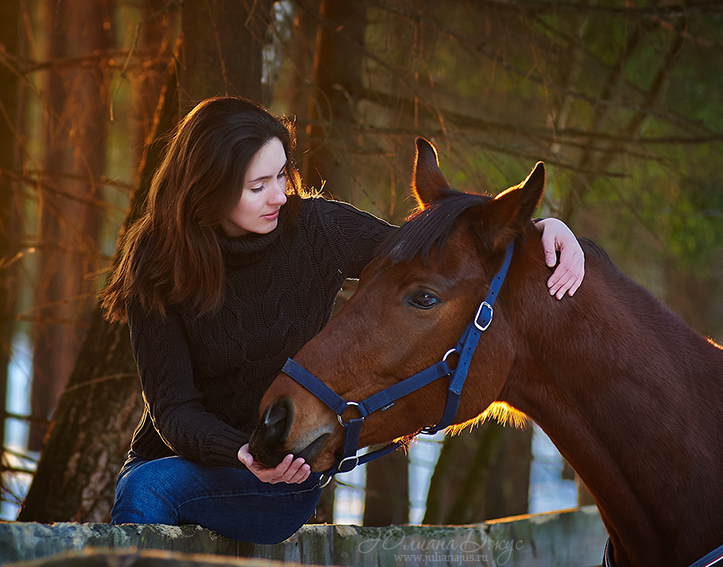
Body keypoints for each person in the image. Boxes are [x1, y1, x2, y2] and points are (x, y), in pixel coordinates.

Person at [99, 96, 585, 545]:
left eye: (282, 175)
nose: (279, 196)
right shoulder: (158, 264)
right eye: (257, 186)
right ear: (209, 188)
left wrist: (536, 228)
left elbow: (442, 262)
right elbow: (175, 410)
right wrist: (240, 451)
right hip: (184, 461)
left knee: (151, 489)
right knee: (148, 486)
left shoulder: (318, 230)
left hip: (284, 471)